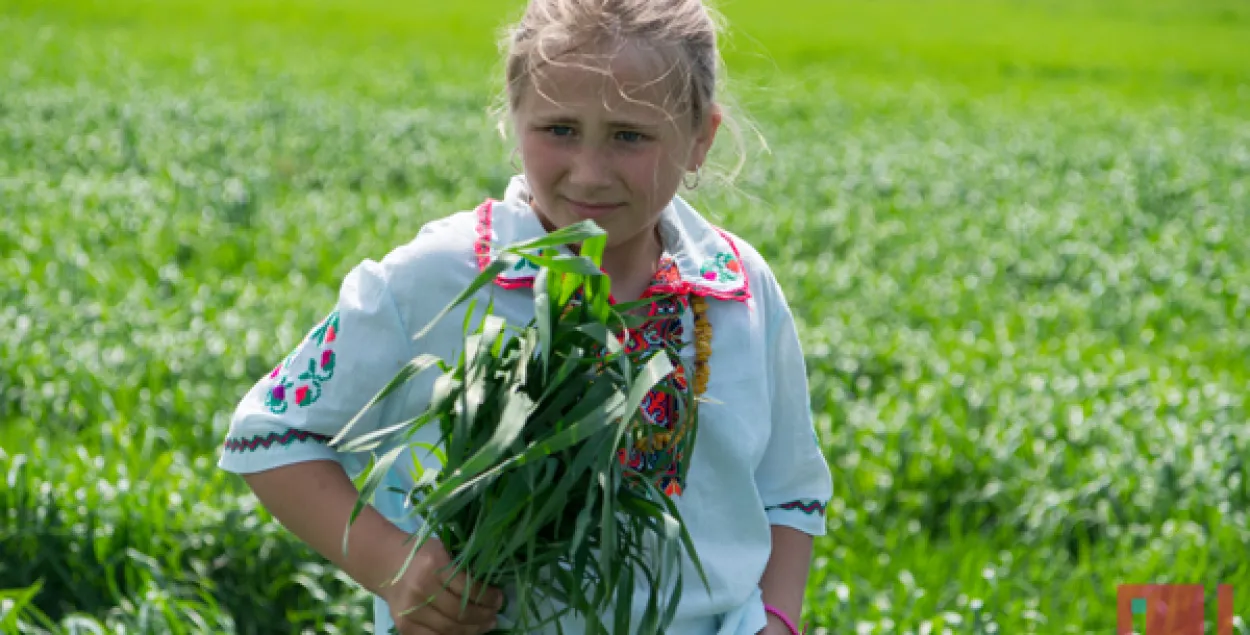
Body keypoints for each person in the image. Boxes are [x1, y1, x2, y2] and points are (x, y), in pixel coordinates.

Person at [217, 0, 833, 633]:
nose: (589, 174)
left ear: (700, 138)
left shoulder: (739, 286)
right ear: (513, 120)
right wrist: (393, 565)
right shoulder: (443, 276)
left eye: (629, 136)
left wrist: (779, 620)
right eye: (559, 129)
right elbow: (270, 433)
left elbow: (789, 490)